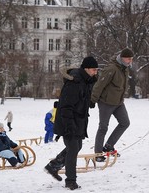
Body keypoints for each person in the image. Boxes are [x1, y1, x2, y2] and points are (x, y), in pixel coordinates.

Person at [44, 56, 98, 190]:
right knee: (73, 148)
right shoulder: (75, 82)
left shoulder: (87, 80)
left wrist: (88, 102)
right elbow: (66, 106)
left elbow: (82, 97)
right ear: (85, 69)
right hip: (68, 120)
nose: (95, 72)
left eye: (96, 69)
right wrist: (69, 126)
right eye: (93, 70)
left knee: (77, 146)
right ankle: (70, 181)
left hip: (78, 120)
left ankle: (54, 166)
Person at [90, 47, 134, 161]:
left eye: (131, 59)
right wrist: (93, 100)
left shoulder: (125, 69)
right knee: (103, 128)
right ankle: (98, 154)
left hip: (118, 102)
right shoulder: (111, 68)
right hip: (106, 102)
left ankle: (109, 146)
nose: (130, 61)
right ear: (123, 58)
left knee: (125, 123)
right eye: (128, 59)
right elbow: (99, 84)